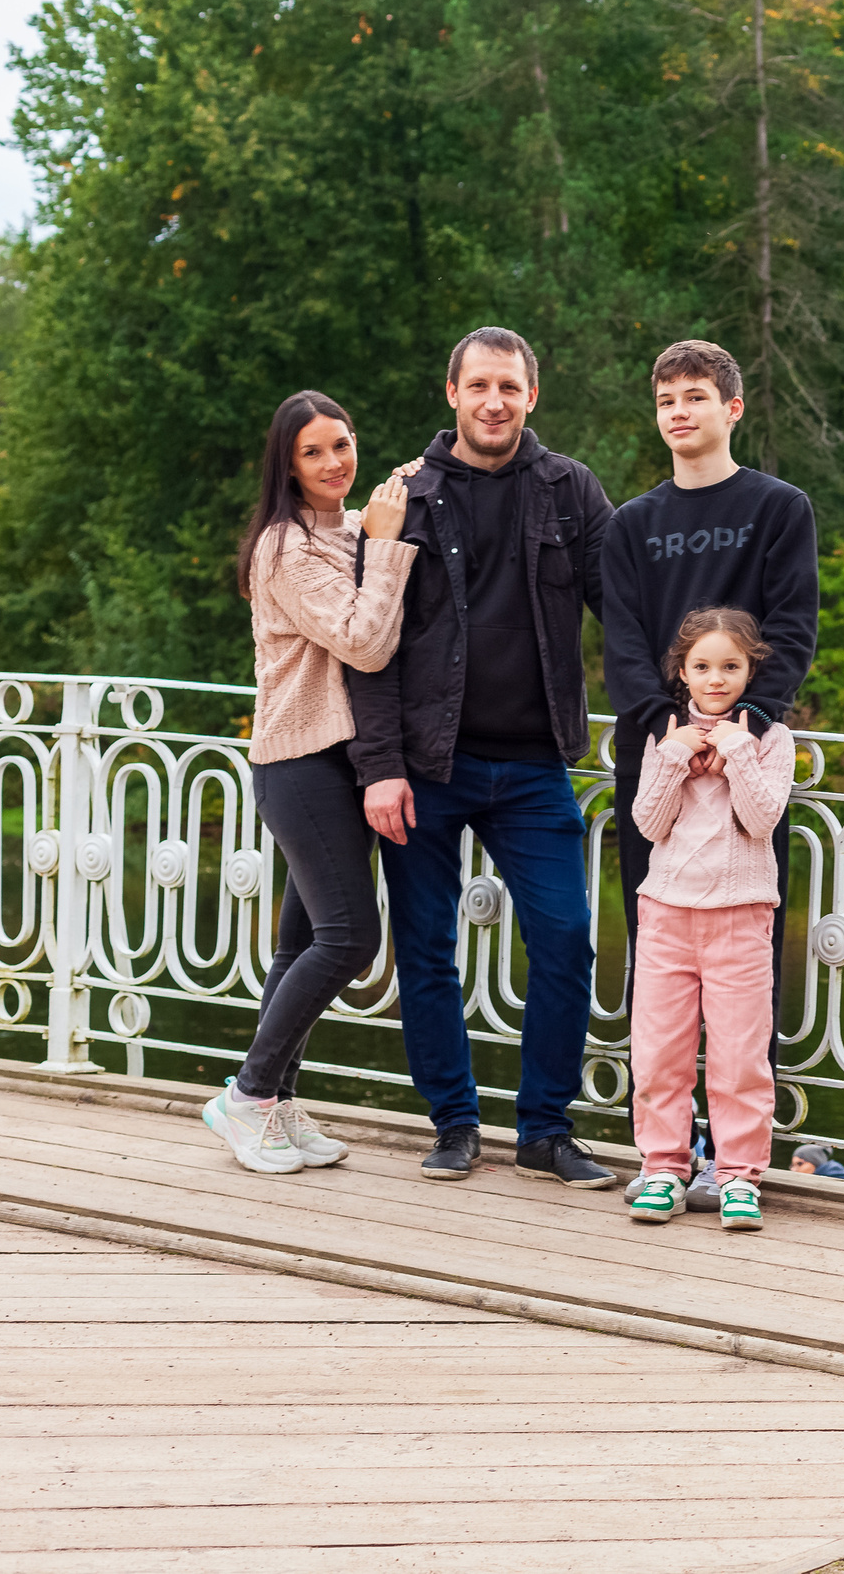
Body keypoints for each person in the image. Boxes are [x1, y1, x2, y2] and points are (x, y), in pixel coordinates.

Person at [346, 327, 621, 1188]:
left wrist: (699, 700)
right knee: (425, 948)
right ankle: (453, 1122)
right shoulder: (406, 498)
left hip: (536, 765)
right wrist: (379, 763)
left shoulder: (570, 490)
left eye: (510, 386)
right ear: (452, 393)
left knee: (567, 938)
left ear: (531, 395)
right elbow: (370, 642)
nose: (494, 401)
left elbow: (627, 607)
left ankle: (544, 1127)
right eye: (479, 386)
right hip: (427, 764)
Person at [601, 339, 816, 1209]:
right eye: (665, 401)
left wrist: (742, 729)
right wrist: (668, 732)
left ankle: (742, 1167)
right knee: (656, 984)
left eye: (696, 397)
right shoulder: (630, 526)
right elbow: (619, 646)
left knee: (741, 993)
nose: (678, 412)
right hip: (655, 757)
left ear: (732, 408)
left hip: (747, 761)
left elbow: (794, 627)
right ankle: (661, 1157)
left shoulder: (778, 507)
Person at [203, 391, 417, 1175]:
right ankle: (248, 1094)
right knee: (349, 936)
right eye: (314, 452)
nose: (335, 462)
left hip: (341, 759)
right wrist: (389, 549)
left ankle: (277, 1103)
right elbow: (364, 641)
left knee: (298, 943)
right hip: (299, 761)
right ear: (287, 466)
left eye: (343, 443)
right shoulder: (286, 548)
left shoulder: (353, 528)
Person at [624, 608, 796, 1229]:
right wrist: (672, 756)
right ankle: (663, 1169)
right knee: (660, 1052)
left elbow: (762, 820)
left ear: (750, 669)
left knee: (740, 1056)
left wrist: (739, 752)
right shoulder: (662, 733)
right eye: (703, 666)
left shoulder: (770, 738)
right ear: (683, 671)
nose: (716, 678)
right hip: (667, 911)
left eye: (730, 666)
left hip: (740, 914)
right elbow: (647, 824)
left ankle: (738, 1176)